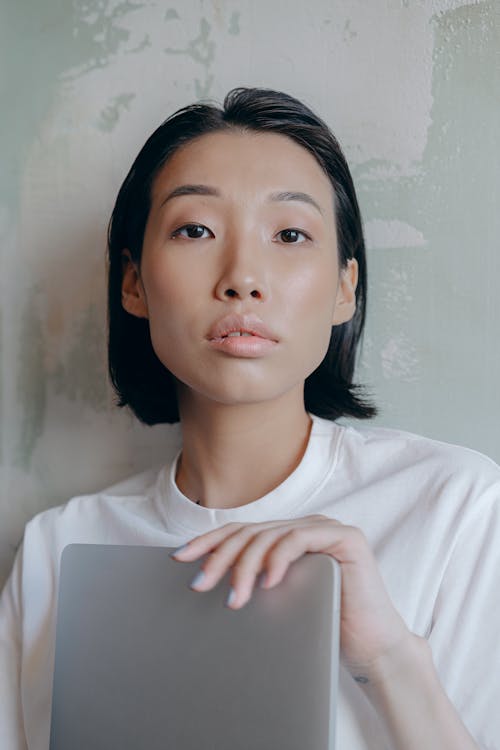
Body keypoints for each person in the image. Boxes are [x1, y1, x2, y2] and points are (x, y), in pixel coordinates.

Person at [1, 87, 499, 750]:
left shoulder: (454, 508)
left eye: (290, 234)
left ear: (344, 289)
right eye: (195, 230)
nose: (242, 277)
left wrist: (387, 658)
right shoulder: (56, 550)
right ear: (134, 285)